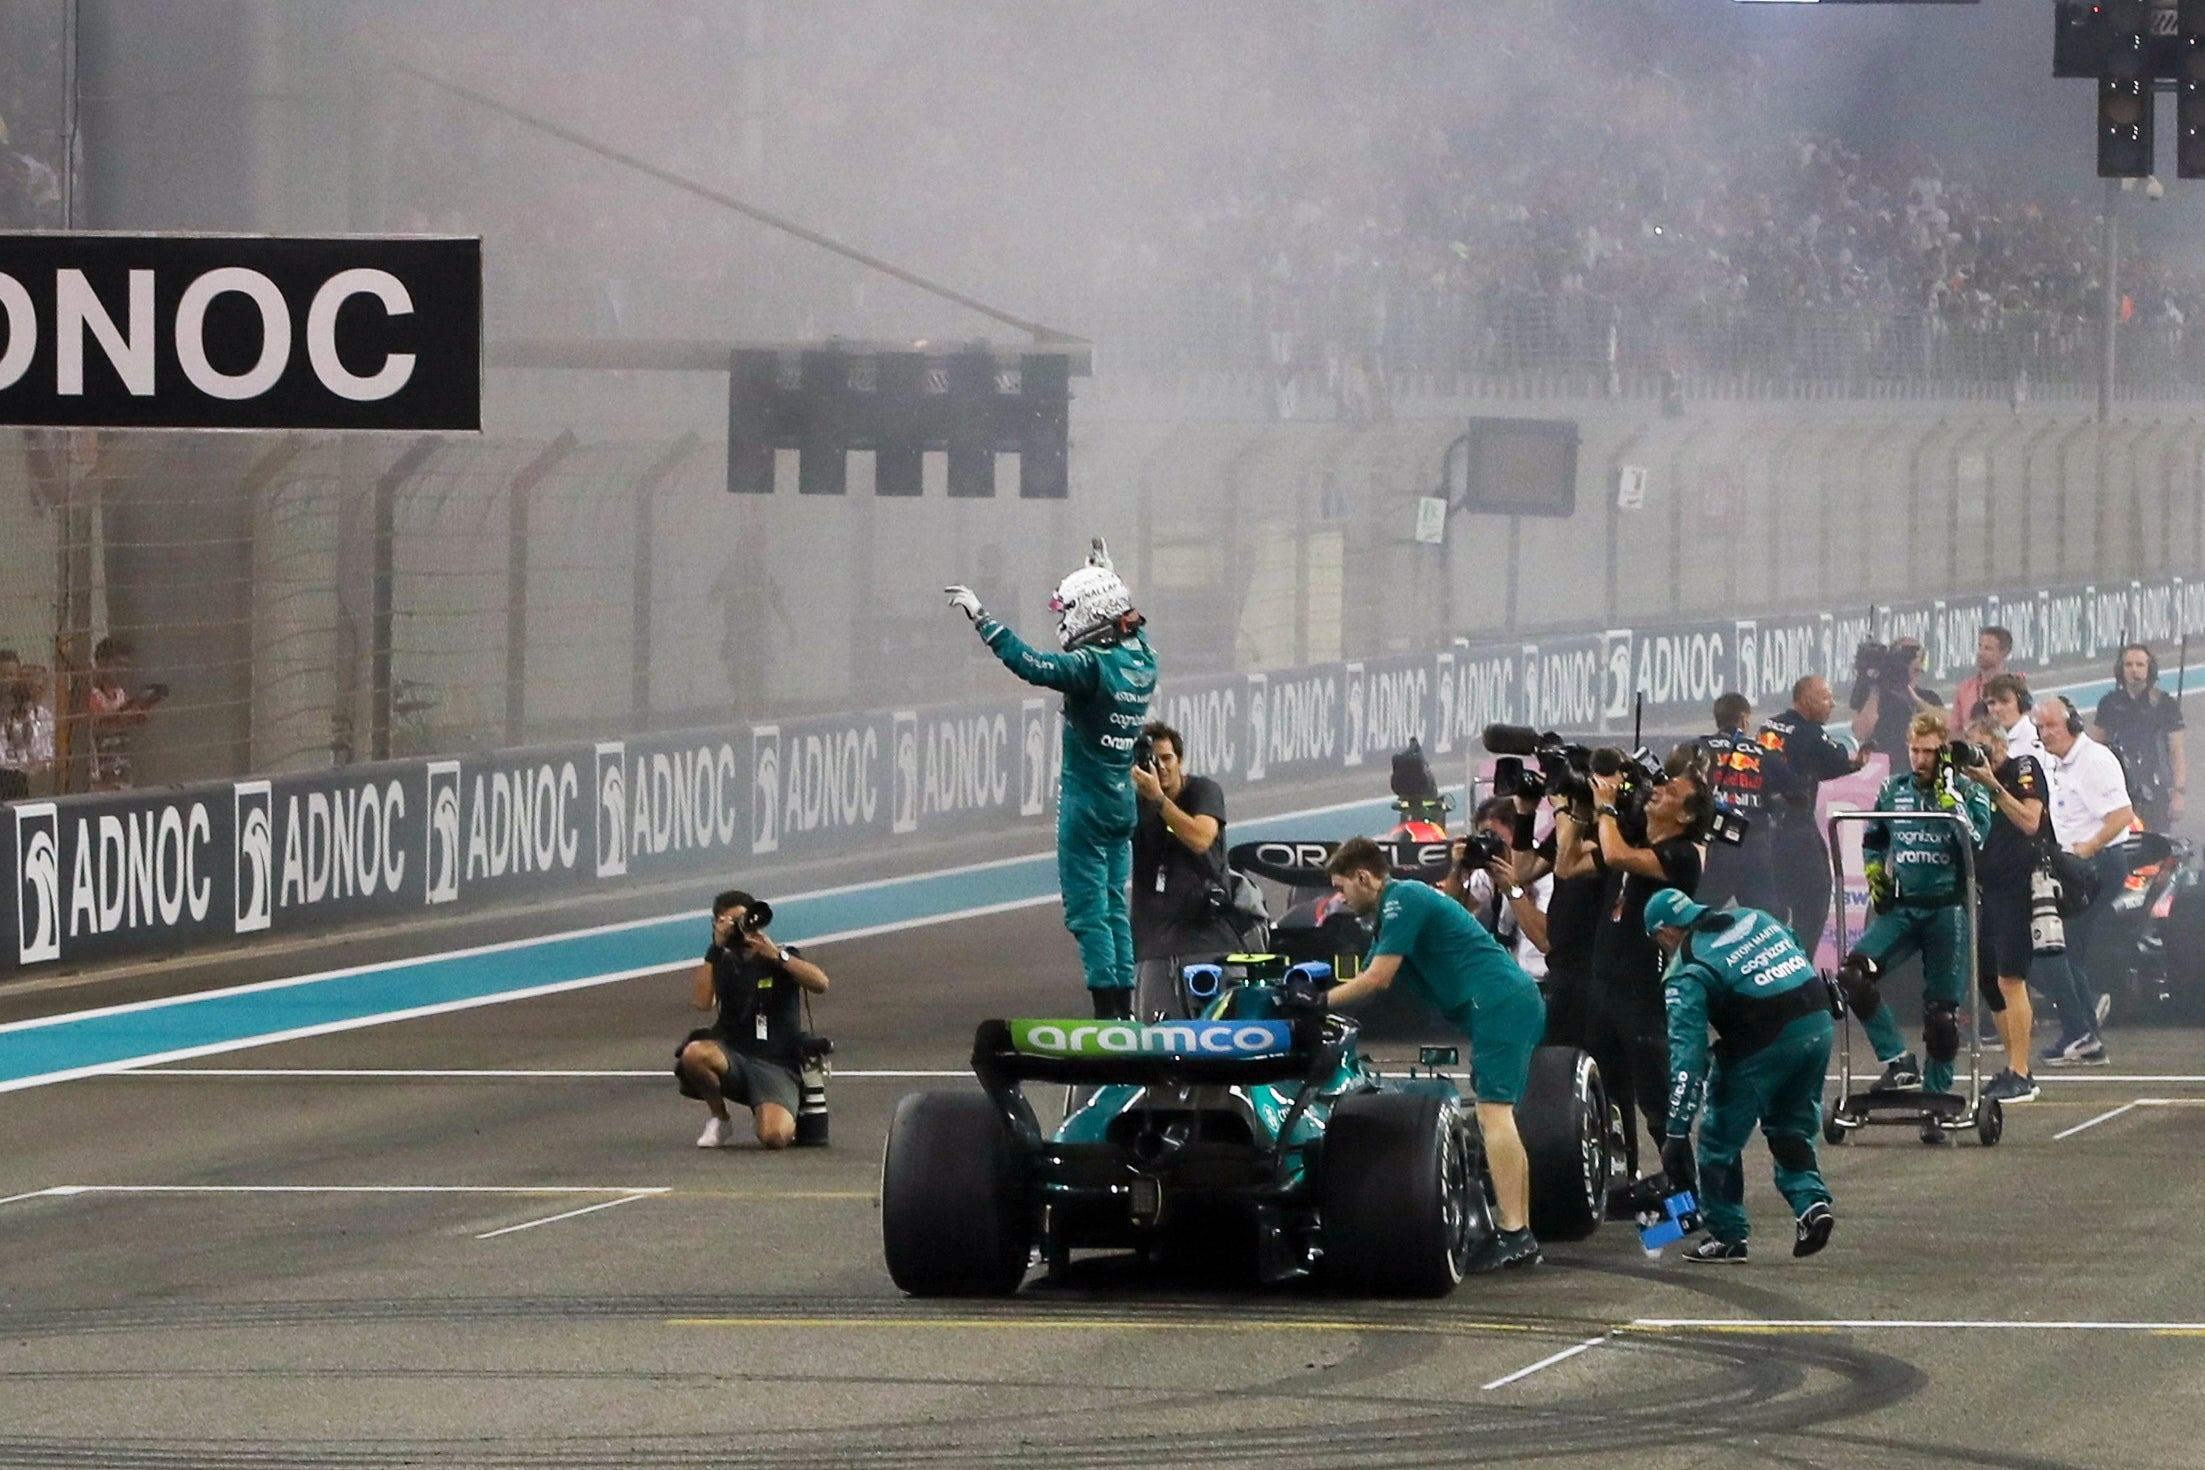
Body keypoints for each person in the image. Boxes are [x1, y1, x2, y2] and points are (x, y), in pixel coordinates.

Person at [948, 538, 1156, 1018]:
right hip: (1121, 802)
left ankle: (1108, 1014)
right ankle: (1124, 1009)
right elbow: (1132, 627)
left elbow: (1033, 665)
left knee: (1088, 915)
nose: (1063, 622)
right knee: (1113, 908)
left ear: (1089, 613)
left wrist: (984, 620)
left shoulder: (1091, 668)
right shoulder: (1143, 658)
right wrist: (1111, 577)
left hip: (1084, 806)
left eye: (1067, 612)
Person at [1323, 835, 1547, 1270]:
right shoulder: (1399, 907)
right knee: (1498, 1116)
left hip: (1500, 1003)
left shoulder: (1402, 899)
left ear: (1363, 877)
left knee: (1493, 1114)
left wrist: (1316, 1005)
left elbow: (1377, 980)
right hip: (1503, 1003)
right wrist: (1324, 999)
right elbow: (1368, 983)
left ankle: (1516, 1233)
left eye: (1341, 887)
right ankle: (1516, 1231)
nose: (1341, 898)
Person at [1645, 888, 1837, 1264]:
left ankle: (1728, 1236)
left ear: (1666, 931)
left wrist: (1676, 1130)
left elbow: (1688, 1056)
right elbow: (1795, 949)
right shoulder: (1753, 915)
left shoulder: (1685, 969)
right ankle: (1812, 1207)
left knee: (1718, 1141)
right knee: (1790, 1127)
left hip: (1762, 1040)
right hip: (1817, 1021)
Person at [1834, 712, 1993, 1123]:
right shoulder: (1893, 789)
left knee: (1941, 1015)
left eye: (1929, 751)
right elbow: (1874, 838)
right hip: (1902, 909)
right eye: (1915, 750)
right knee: (1852, 975)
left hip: (1948, 911)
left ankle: (1936, 1101)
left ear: (1945, 750)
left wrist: (1953, 804)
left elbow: (1977, 846)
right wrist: (1873, 871)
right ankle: (1898, 1060)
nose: (1921, 759)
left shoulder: (1970, 791)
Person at [1586, 746, 1712, 1177]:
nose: (1657, 790)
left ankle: (1686, 1198)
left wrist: (1604, 805)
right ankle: (1623, 1184)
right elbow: (1569, 863)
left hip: (1642, 994)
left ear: (1684, 816)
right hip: (1604, 985)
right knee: (1608, 1096)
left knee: (1658, 1106)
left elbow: (1616, 855)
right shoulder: (1633, 838)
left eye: (1670, 790)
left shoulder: (1684, 854)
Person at [676, 890, 831, 1149]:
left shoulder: (780, 955)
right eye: (730, 922)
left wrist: (778, 956)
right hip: (733, 1056)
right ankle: (719, 1118)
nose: (739, 929)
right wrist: (714, 949)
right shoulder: (720, 960)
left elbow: (821, 984)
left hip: (776, 1063)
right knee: (694, 1053)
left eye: (742, 920)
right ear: (717, 924)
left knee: (773, 1138)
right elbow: (703, 1003)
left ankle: (784, 1106)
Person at [2034, 695, 2136, 1065]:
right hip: (2073, 866)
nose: (2045, 734)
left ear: (2073, 724)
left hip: (2097, 866)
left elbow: (2123, 813)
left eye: (2051, 726)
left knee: (2055, 951)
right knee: (2065, 953)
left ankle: (2080, 1031)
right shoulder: (2056, 762)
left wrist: (2089, 846)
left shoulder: (2094, 761)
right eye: (2040, 727)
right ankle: (2085, 1034)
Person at [1955, 719, 2047, 1104]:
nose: (1977, 758)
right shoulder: (1968, 784)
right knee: (1989, 982)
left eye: (1982, 749)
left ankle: (2022, 1071)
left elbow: (2030, 821)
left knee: (2012, 978)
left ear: (1997, 745)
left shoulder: (2022, 767)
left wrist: (1992, 786)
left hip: (2020, 885)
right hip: (1986, 888)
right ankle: (2012, 1066)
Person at [1129, 719, 1239, 1020]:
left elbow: (1201, 838)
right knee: (1154, 1032)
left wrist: (1159, 801)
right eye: (1153, 759)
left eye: (1167, 758)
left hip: (1207, 938)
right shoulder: (1132, 801)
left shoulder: (1203, 790)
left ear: (1180, 761)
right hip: (1154, 941)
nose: (1161, 767)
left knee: (1217, 1030)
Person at [1758, 675, 1869, 956]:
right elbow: (1838, 762)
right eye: (1825, 697)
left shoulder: (1770, 725)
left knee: (1776, 905)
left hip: (1764, 830)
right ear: (1806, 701)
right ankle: (1799, 962)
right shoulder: (1810, 733)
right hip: (1794, 831)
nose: (1832, 704)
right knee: (1816, 898)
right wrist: (1856, 762)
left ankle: (1773, 960)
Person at [1453, 795, 1552, 980]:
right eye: (1483, 836)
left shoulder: (1546, 869)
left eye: (1494, 836)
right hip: (1509, 981)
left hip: (1543, 980)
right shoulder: (1492, 867)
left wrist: (1513, 891)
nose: (1489, 843)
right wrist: (1458, 867)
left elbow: (1545, 940)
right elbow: (1453, 910)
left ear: (1519, 834)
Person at [2093, 644, 2186, 830]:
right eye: (2128, 665)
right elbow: (2096, 749)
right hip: (2118, 788)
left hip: (2156, 788)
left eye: (2139, 665)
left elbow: (2177, 753)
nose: (2133, 669)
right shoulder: (2109, 704)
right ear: (2121, 669)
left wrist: (2179, 793)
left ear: (2149, 669)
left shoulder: (2165, 704)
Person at [1698, 692, 1776, 913]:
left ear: (1718, 719)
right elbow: (1793, 788)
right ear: (1744, 719)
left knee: (1697, 914)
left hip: (1713, 845)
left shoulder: (1698, 748)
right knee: (1766, 918)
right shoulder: (1763, 752)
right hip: (1753, 847)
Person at [1849, 634, 1943, 763]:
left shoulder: (1929, 697)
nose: (1907, 662)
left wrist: (1911, 695)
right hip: (1884, 768)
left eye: (1911, 655)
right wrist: (1876, 688)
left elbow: (1945, 726)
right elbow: (1860, 732)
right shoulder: (1875, 695)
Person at [87, 637, 164, 792]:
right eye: (118, 665)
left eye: (126, 666)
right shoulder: (91, 694)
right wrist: (126, 711)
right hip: (98, 774)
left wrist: (145, 704)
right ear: (101, 663)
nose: (123, 670)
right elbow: (102, 723)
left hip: (121, 768)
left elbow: (137, 718)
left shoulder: (120, 694)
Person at [1952, 625, 2014, 729]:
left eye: (1988, 648)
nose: (1980, 653)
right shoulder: (1964, 689)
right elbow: (1955, 729)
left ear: (2004, 652)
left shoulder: (2015, 688)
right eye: (1980, 646)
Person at [1984, 672, 2041, 762]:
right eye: (1991, 703)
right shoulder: (1987, 740)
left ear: (2022, 704)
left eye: (2004, 701)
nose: (1997, 708)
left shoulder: (2034, 742)